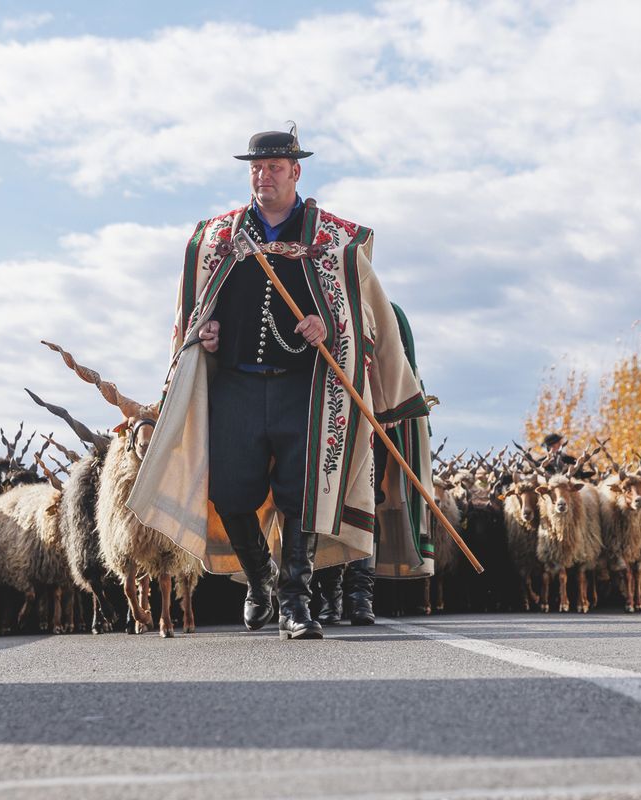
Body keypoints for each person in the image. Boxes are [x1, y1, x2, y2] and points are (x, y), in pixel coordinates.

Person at [127, 124, 428, 640]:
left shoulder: (334, 242)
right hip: (237, 385)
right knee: (230, 490)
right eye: (256, 169)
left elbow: (363, 315)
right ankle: (260, 580)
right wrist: (206, 332)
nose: (264, 177)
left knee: (303, 493)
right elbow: (192, 311)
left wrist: (328, 328)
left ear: (296, 172)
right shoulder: (217, 238)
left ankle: (295, 601)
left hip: (305, 387)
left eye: (274, 168)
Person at [314, 302, 435, 626]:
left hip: (375, 423)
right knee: (329, 504)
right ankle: (331, 598)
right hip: (330, 421)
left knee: (368, 503)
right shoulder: (324, 299)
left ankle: (360, 597)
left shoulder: (385, 311)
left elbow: (398, 364)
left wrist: (391, 406)